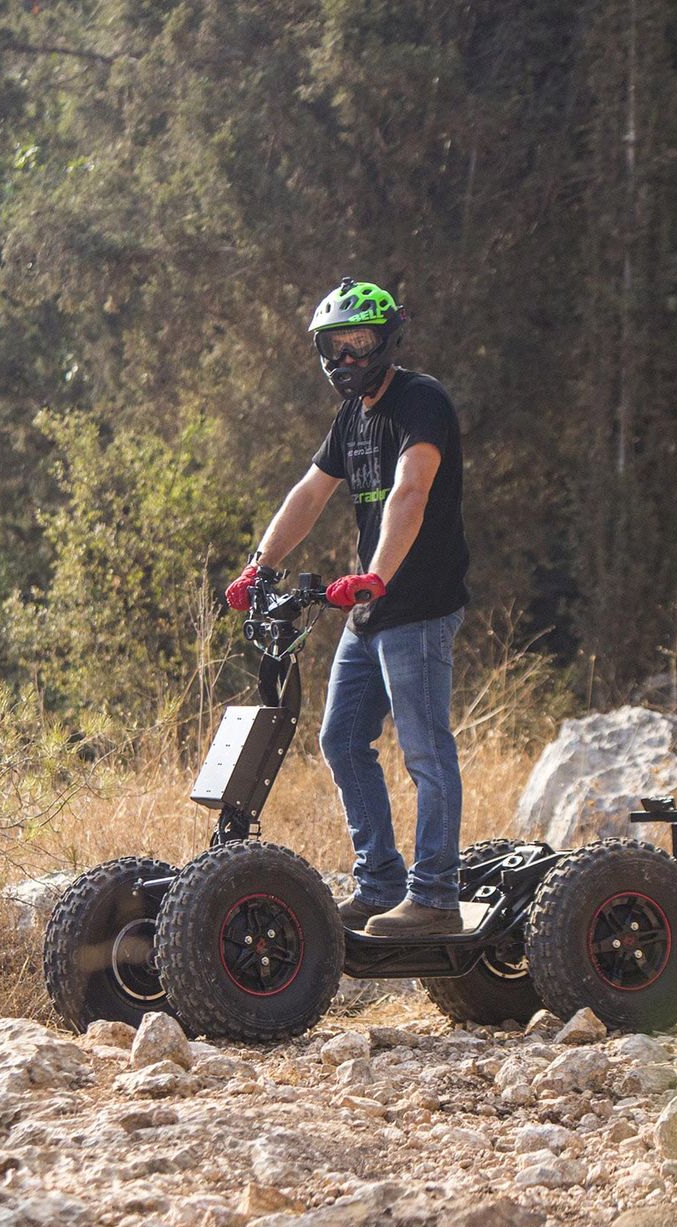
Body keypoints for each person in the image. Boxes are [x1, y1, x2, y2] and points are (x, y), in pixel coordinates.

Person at [224, 278, 469, 937]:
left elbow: (409, 494)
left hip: (416, 605)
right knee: (340, 738)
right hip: (373, 611)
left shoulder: (421, 402)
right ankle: (381, 883)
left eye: (359, 341)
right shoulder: (351, 418)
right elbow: (309, 494)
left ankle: (436, 899)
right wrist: (260, 565)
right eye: (335, 345)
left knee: (423, 750)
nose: (347, 356)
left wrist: (376, 575)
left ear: (386, 339)